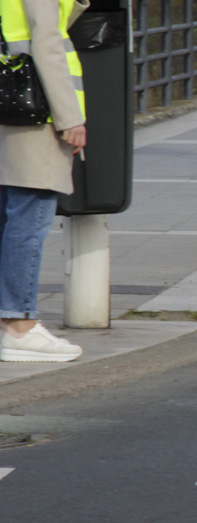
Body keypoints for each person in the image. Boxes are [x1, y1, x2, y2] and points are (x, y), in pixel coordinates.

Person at [0, 0, 88, 363]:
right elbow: (48, 42)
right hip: (33, 112)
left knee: (9, 219)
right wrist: (70, 117)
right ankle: (19, 326)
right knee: (29, 218)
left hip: (8, 102)